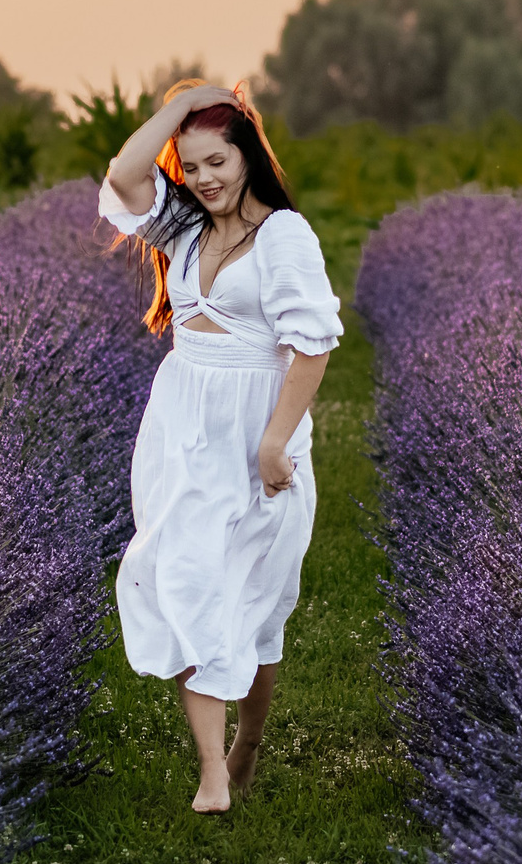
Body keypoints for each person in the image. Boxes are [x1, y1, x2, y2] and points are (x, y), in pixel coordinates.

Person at [98, 78, 342, 813]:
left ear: (248, 157)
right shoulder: (182, 225)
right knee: (185, 579)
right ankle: (212, 774)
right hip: (183, 425)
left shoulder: (284, 236)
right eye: (192, 164)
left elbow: (314, 342)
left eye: (218, 162)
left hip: (253, 431)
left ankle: (248, 745)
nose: (204, 178)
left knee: (253, 605)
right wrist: (179, 109)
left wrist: (275, 443)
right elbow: (122, 174)